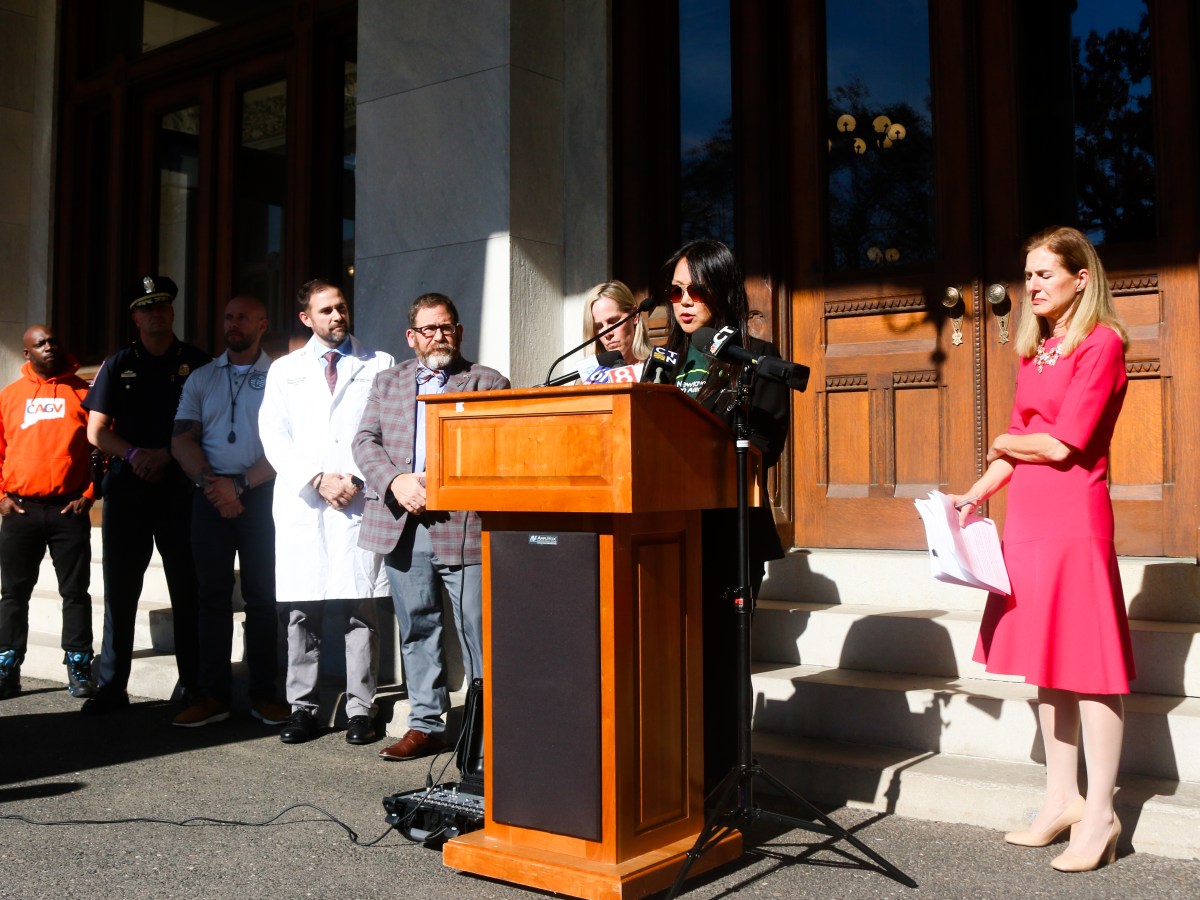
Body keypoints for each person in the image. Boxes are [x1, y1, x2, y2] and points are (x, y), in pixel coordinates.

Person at [948, 226, 1132, 873]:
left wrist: (1003, 442)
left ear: (1081, 278)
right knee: (1049, 666)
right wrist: (978, 491)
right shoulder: (1038, 349)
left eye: (1044, 274)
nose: (1031, 286)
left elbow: (1060, 444)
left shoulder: (1102, 343)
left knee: (1092, 670)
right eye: (1027, 275)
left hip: (1074, 517)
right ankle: (1061, 799)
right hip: (1029, 516)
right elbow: (1024, 440)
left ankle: (1102, 813)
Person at [353, 293, 510, 761]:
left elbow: (498, 449)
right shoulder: (387, 381)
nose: (438, 336)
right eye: (428, 329)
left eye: (446, 327)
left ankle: (488, 732)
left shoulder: (487, 382)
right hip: (403, 522)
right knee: (417, 627)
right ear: (411, 337)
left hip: (463, 523)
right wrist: (396, 481)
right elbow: (364, 440)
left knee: (477, 630)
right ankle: (426, 724)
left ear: (459, 332)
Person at [661, 238, 790, 794]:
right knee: (670, 668)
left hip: (727, 533)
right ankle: (673, 787)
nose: (684, 302)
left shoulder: (756, 359)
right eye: (675, 291)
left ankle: (723, 788)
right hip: (664, 534)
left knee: (720, 667)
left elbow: (764, 442)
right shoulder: (660, 362)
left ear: (722, 290)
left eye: (698, 290)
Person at [258, 278, 394, 745]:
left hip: (357, 498)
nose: (337, 316)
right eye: (326, 310)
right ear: (306, 318)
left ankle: (361, 708)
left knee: (360, 609)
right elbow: (274, 436)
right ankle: (304, 708)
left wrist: (354, 478)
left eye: (341, 307)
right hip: (304, 501)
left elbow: (385, 431)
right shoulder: (285, 370)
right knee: (302, 610)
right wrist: (318, 478)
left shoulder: (379, 363)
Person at [82, 276, 211, 715]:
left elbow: (207, 427)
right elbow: (96, 430)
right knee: (120, 591)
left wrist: (168, 457)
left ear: (172, 312)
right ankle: (111, 685)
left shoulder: (197, 363)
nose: (157, 314)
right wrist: (137, 454)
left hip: (180, 489)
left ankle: (194, 685)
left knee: (187, 590)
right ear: (135, 316)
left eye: (163, 306)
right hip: (130, 490)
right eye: (147, 307)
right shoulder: (118, 364)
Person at [170, 296, 290, 728]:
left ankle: (264, 694)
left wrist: (239, 485)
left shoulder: (282, 376)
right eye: (227, 316)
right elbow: (181, 440)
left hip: (261, 496)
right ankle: (212, 695)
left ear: (262, 324)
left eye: (242, 317)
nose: (232, 323)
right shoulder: (202, 377)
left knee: (262, 598)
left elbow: (291, 445)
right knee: (211, 598)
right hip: (210, 493)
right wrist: (214, 485)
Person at [0, 326, 96, 700]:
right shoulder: (9, 397)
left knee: (75, 593)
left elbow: (100, 449)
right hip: (20, 511)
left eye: (54, 340)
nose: (49, 347)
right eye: (40, 344)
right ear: (27, 354)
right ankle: (8, 667)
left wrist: (89, 494)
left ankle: (78, 665)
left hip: (68, 509)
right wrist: (3, 496)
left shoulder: (82, 392)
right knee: (14, 593)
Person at [582, 281, 652, 371]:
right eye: (599, 326)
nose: (607, 333)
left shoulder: (657, 368)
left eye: (613, 321)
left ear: (635, 316)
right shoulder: (589, 378)